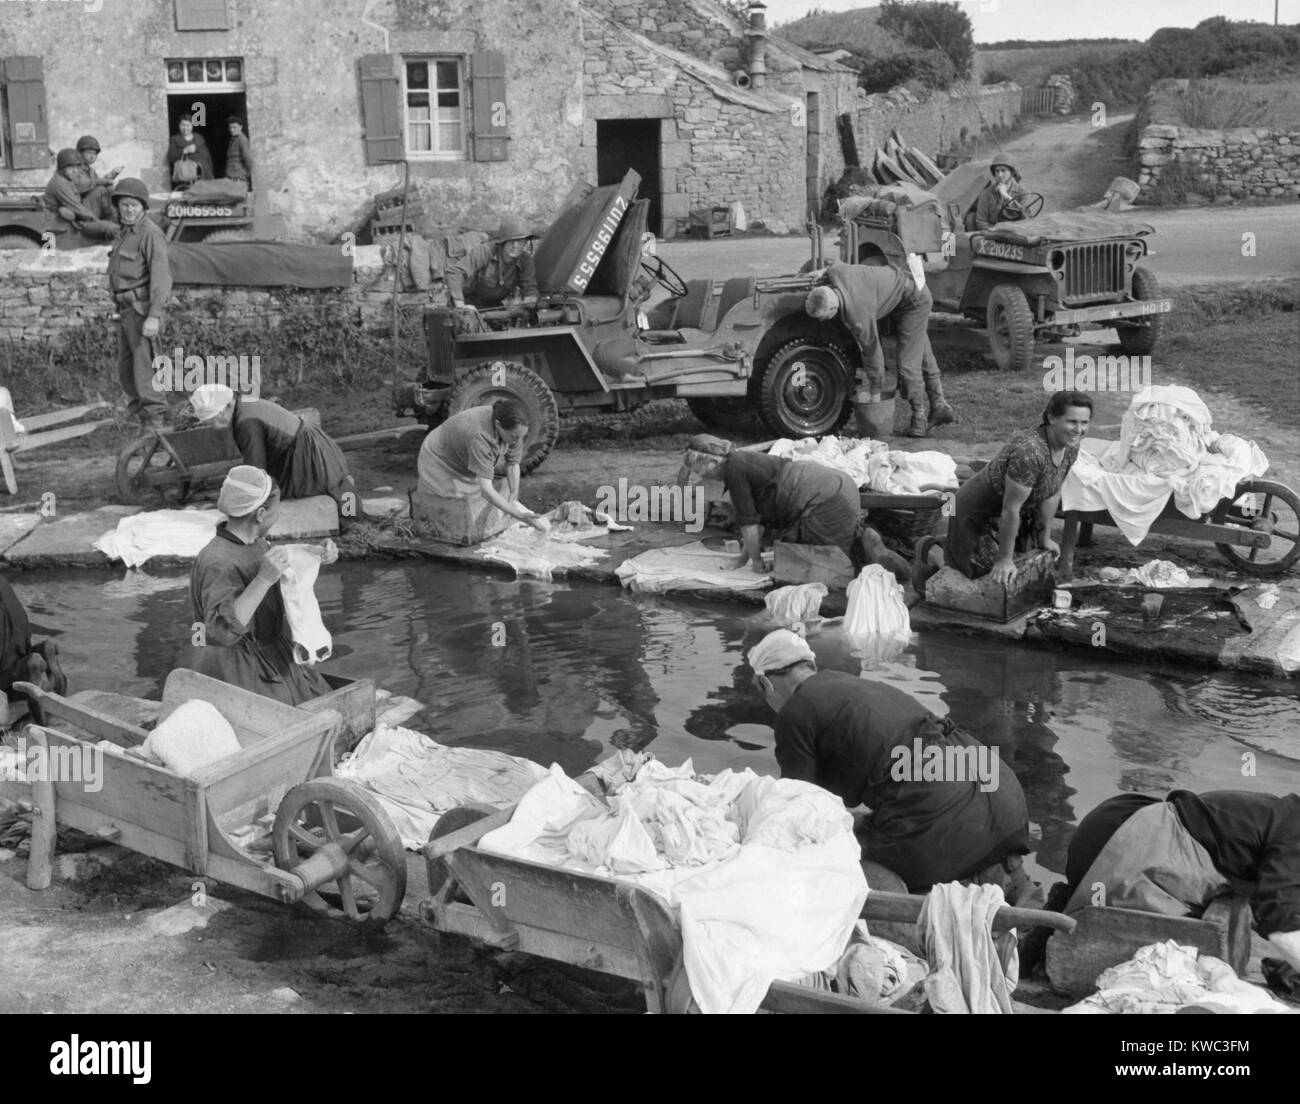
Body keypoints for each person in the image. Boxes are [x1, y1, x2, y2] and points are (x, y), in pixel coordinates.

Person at [746, 629, 1032, 895]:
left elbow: (799, 804)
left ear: (765, 683)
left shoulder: (795, 712)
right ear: (811, 666)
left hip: (947, 819)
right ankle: (998, 872)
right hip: (1005, 797)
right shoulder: (850, 683)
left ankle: (945, 879)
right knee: (873, 820)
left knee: (837, 855)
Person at [1055, 789, 1300, 974]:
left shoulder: (1283, 814)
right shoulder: (1294, 828)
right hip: (1121, 842)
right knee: (1182, 961)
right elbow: (1280, 923)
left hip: (1114, 826)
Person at [187, 467, 331, 706]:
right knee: (293, 719)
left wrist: (315, 554)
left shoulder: (255, 543)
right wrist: (263, 580)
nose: (278, 516)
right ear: (261, 514)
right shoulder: (217, 562)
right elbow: (221, 632)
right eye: (277, 511)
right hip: (236, 668)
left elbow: (275, 565)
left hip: (268, 653)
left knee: (322, 700)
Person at [919, 391, 1091, 590]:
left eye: (1084, 423)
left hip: (1014, 511)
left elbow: (1052, 492)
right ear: (1051, 418)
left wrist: (1045, 538)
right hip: (977, 511)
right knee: (985, 571)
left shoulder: (1070, 446)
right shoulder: (1029, 453)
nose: (1078, 429)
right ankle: (933, 548)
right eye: (1072, 422)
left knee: (1025, 564)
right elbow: (1010, 509)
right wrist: (1003, 559)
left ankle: (957, 549)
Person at [676, 433, 861, 574]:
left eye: (700, 471)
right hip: (838, 486)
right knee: (801, 557)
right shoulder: (740, 460)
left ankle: (867, 550)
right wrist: (744, 559)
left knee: (825, 564)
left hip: (827, 497)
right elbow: (758, 520)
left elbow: (749, 525)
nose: (703, 476)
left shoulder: (735, 470)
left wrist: (756, 563)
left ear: (712, 463)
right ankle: (863, 548)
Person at [187, 384, 358, 523]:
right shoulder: (244, 402)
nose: (212, 425)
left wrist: (245, 507)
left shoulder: (246, 422)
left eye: (212, 419)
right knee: (336, 486)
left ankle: (349, 516)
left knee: (275, 498)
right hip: (313, 444)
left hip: (307, 455)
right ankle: (349, 503)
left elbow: (256, 469)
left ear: (227, 407)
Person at [804, 260, 935, 438]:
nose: (823, 322)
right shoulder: (837, 273)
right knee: (919, 349)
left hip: (915, 300)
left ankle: (919, 416)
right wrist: (821, 272)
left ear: (834, 308)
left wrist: (875, 392)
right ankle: (939, 405)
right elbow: (832, 265)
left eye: (825, 318)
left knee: (907, 365)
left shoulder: (858, 316)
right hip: (903, 285)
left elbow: (874, 355)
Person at [413, 400, 550, 544]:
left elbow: (513, 463)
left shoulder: (514, 426)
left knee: (474, 500)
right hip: (438, 457)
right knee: (450, 504)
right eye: (515, 436)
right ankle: (434, 531)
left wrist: (514, 498)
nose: (518, 440)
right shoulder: (480, 435)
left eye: (521, 436)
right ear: (498, 425)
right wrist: (519, 515)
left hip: (461, 458)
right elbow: (486, 490)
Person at [106, 177, 173, 432]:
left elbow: (162, 279)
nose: (128, 210)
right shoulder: (125, 233)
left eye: (133, 205)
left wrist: (154, 316)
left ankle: (155, 426)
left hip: (143, 311)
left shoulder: (150, 234)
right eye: (124, 205)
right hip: (125, 312)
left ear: (143, 207)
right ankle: (141, 421)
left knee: (147, 370)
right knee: (127, 369)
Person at [446, 217, 539, 309]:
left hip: (492, 304)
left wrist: (530, 298)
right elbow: (454, 273)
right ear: (503, 241)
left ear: (526, 242)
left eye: (519, 241)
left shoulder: (525, 260)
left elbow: (529, 287)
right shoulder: (486, 251)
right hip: (467, 300)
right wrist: (460, 305)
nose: (515, 246)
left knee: (506, 322)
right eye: (511, 241)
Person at [0, 574, 67, 699]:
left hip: (6, 673)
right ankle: (45, 650)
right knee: (23, 658)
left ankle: (29, 669)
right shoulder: (3, 582)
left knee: (25, 667)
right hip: (18, 652)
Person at [43, 148, 116, 239]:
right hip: (75, 222)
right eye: (70, 167)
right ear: (62, 167)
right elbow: (79, 210)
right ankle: (113, 226)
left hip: (78, 210)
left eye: (77, 167)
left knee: (100, 190)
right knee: (111, 229)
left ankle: (114, 219)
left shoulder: (66, 177)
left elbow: (86, 183)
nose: (75, 171)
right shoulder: (60, 184)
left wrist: (105, 181)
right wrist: (99, 223)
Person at [72, 135, 120, 218]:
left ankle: (113, 215)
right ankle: (110, 216)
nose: (92, 156)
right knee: (101, 190)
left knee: (109, 188)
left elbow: (98, 182)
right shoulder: (73, 169)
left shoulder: (90, 170)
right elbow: (81, 185)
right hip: (78, 206)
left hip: (91, 204)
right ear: (79, 153)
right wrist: (103, 181)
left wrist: (113, 174)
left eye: (94, 154)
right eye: (89, 153)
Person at [974, 158, 1027, 231]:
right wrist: (995, 230)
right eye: (997, 171)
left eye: (1003, 170)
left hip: (1017, 231)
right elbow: (981, 221)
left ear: (1012, 173)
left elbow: (1027, 217)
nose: (999, 174)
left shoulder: (1022, 193)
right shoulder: (986, 194)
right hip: (993, 233)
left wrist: (1007, 197)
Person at [165, 115, 214, 187]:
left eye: (188, 125)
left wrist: (210, 175)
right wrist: (183, 151)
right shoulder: (174, 140)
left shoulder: (199, 139)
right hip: (186, 177)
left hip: (204, 176)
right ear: (179, 125)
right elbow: (171, 157)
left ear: (192, 126)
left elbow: (208, 158)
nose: (185, 128)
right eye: (183, 125)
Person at [223, 117, 253, 188]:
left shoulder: (242, 140)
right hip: (231, 176)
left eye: (234, 127)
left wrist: (245, 174)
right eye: (230, 127)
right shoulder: (233, 139)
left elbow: (248, 159)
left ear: (240, 127)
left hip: (238, 177)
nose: (232, 130)